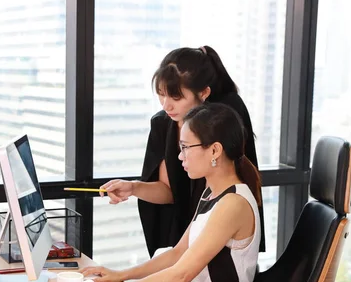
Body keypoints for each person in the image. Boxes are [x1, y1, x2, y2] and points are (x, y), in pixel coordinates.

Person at [82, 103, 262, 282]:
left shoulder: (233, 203)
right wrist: (121, 275)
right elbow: (178, 254)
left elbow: (181, 274)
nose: (179, 156)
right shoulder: (211, 193)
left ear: (214, 150)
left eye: (185, 147)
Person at [100, 45, 265, 257]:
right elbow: (169, 191)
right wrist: (133, 188)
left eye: (176, 98)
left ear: (204, 93)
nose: (166, 106)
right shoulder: (163, 124)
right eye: (161, 95)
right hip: (186, 239)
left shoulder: (223, 122)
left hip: (221, 237)